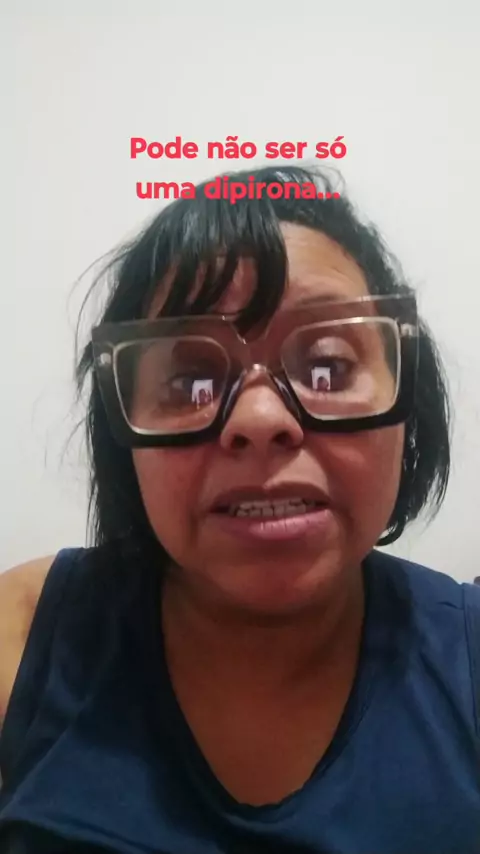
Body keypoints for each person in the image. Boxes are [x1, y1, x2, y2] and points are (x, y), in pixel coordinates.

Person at [0, 166, 479, 854]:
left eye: (327, 367)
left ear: (409, 403)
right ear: (124, 432)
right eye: (190, 379)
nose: (258, 419)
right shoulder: (24, 639)